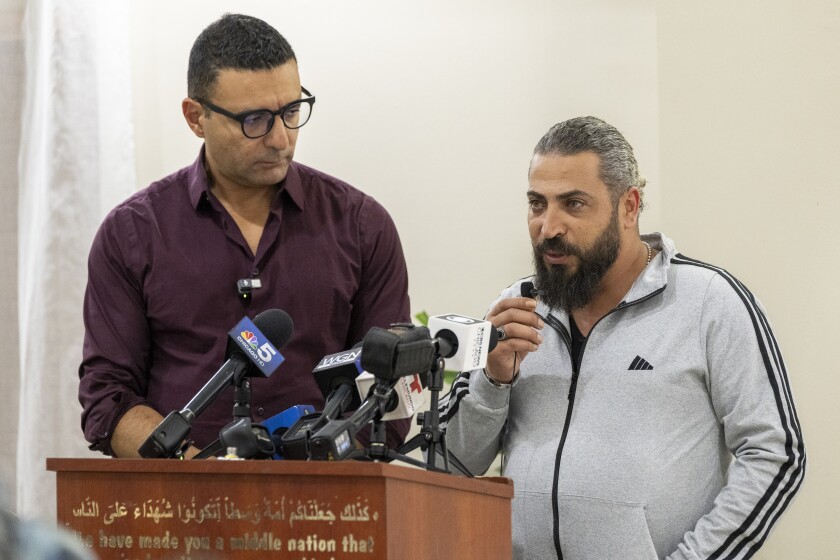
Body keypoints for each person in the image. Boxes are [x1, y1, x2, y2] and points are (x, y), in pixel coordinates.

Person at [441, 116, 805, 559]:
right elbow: (451, 466)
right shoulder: (516, 308)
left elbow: (775, 454)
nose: (548, 227)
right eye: (538, 204)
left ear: (629, 207)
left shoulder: (710, 302)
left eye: (573, 204)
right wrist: (493, 382)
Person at [78, 13, 411, 458]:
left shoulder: (362, 226)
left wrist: (328, 469)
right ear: (196, 117)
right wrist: (200, 478)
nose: (280, 139)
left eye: (292, 112)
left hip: (329, 504)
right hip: (181, 507)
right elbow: (108, 399)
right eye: (255, 120)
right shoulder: (133, 233)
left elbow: (390, 389)